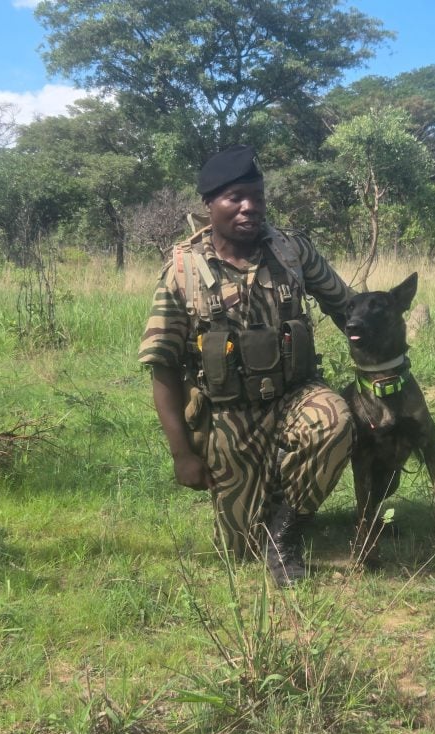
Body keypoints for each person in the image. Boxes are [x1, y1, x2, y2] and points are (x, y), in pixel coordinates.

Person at [138, 145, 354, 586]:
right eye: (235, 197)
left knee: (334, 420)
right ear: (209, 204)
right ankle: (273, 490)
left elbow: (347, 307)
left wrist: (384, 370)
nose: (249, 207)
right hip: (228, 414)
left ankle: (287, 532)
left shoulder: (292, 251)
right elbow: (162, 367)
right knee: (241, 549)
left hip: (295, 395)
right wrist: (182, 455)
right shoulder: (183, 269)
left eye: (256, 196)